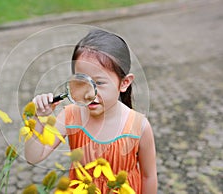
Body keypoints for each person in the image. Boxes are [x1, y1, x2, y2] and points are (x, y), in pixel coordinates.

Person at [25, 29, 157, 194]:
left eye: (99, 83)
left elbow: (148, 176)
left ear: (124, 83)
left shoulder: (139, 126)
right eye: (82, 82)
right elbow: (33, 157)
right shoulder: (69, 116)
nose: (89, 93)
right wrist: (39, 118)